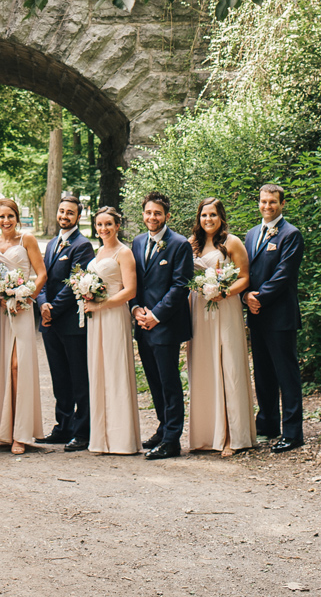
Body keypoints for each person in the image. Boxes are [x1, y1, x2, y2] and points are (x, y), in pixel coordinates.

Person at [187, 197, 255, 457]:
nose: (208, 220)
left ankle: (231, 436)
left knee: (229, 366)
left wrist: (223, 293)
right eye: (204, 215)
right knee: (204, 367)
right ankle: (206, 435)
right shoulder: (192, 244)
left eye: (213, 215)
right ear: (199, 218)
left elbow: (245, 277)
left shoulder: (232, 242)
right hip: (199, 310)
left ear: (221, 216)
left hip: (225, 308)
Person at [131, 190, 194, 460]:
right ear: (143, 214)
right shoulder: (136, 242)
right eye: (148, 212)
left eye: (157, 213)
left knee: (169, 383)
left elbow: (181, 287)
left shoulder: (179, 244)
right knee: (154, 381)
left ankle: (172, 440)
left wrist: (155, 315)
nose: (152, 217)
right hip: (142, 323)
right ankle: (162, 426)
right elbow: (132, 281)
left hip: (165, 324)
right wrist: (135, 309)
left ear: (167, 215)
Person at [243, 183, 305, 453]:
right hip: (256, 316)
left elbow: (284, 274)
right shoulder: (251, 234)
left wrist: (259, 298)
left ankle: (293, 432)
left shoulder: (291, 235)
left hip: (279, 316)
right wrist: (245, 295)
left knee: (286, 374)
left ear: (282, 204)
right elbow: (242, 270)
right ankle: (268, 423)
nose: (267, 206)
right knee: (264, 373)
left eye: (272, 202)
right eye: (263, 201)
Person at [0, 198, 46, 453]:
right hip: (0, 312)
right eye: (1, 217)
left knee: (17, 366)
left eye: (10, 216)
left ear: (17, 217)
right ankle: (2, 430)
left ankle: (21, 433)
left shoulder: (27, 240)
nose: (6, 221)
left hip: (20, 309)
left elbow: (41, 273)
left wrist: (27, 296)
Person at [36, 192, 95, 451]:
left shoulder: (83, 246)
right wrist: (42, 305)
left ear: (78, 216)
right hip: (50, 323)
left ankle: (82, 432)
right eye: (61, 212)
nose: (64, 216)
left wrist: (53, 310)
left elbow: (75, 285)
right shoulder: (51, 244)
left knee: (78, 379)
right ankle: (63, 427)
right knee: (59, 378)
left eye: (70, 213)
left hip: (72, 323)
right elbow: (42, 279)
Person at [79, 205, 141, 455]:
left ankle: (122, 439)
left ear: (117, 226)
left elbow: (130, 290)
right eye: (99, 224)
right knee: (99, 371)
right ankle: (101, 438)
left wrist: (103, 303)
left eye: (108, 224)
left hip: (114, 315)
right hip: (96, 319)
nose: (103, 228)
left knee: (115, 371)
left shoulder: (123, 253)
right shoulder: (99, 251)